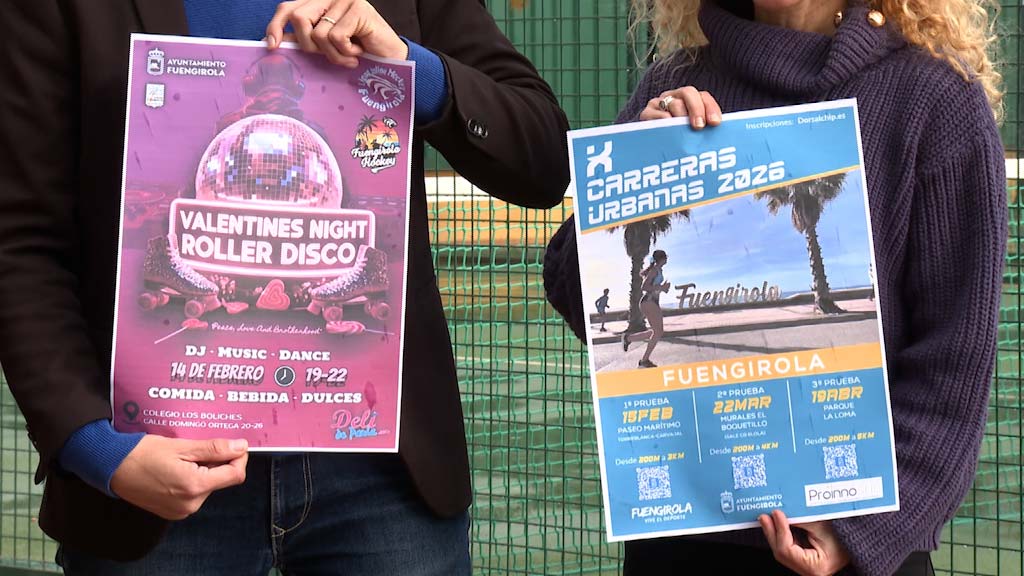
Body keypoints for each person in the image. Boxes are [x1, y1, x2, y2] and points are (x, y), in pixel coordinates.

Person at [0, 0, 569, 573]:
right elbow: (21, 237)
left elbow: (544, 156)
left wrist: (408, 70)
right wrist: (96, 447)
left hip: (382, 472)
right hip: (154, 470)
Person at [543, 0, 1006, 575]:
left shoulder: (936, 99)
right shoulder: (671, 87)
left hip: (848, 554)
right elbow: (577, 296)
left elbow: (955, 358)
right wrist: (632, 168)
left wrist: (861, 531)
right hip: (679, 546)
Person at [621, 250, 670, 368]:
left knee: (656, 331)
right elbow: (644, 287)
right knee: (658, 332)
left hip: (651, 302)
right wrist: (661, 287)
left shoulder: (658, 270)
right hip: (649, 301)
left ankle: (628, 338)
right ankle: (644, 360)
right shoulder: (654, 270)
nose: (667, 259)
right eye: (665, 257)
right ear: (662, 259)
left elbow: (654, 287)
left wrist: (663, 289)